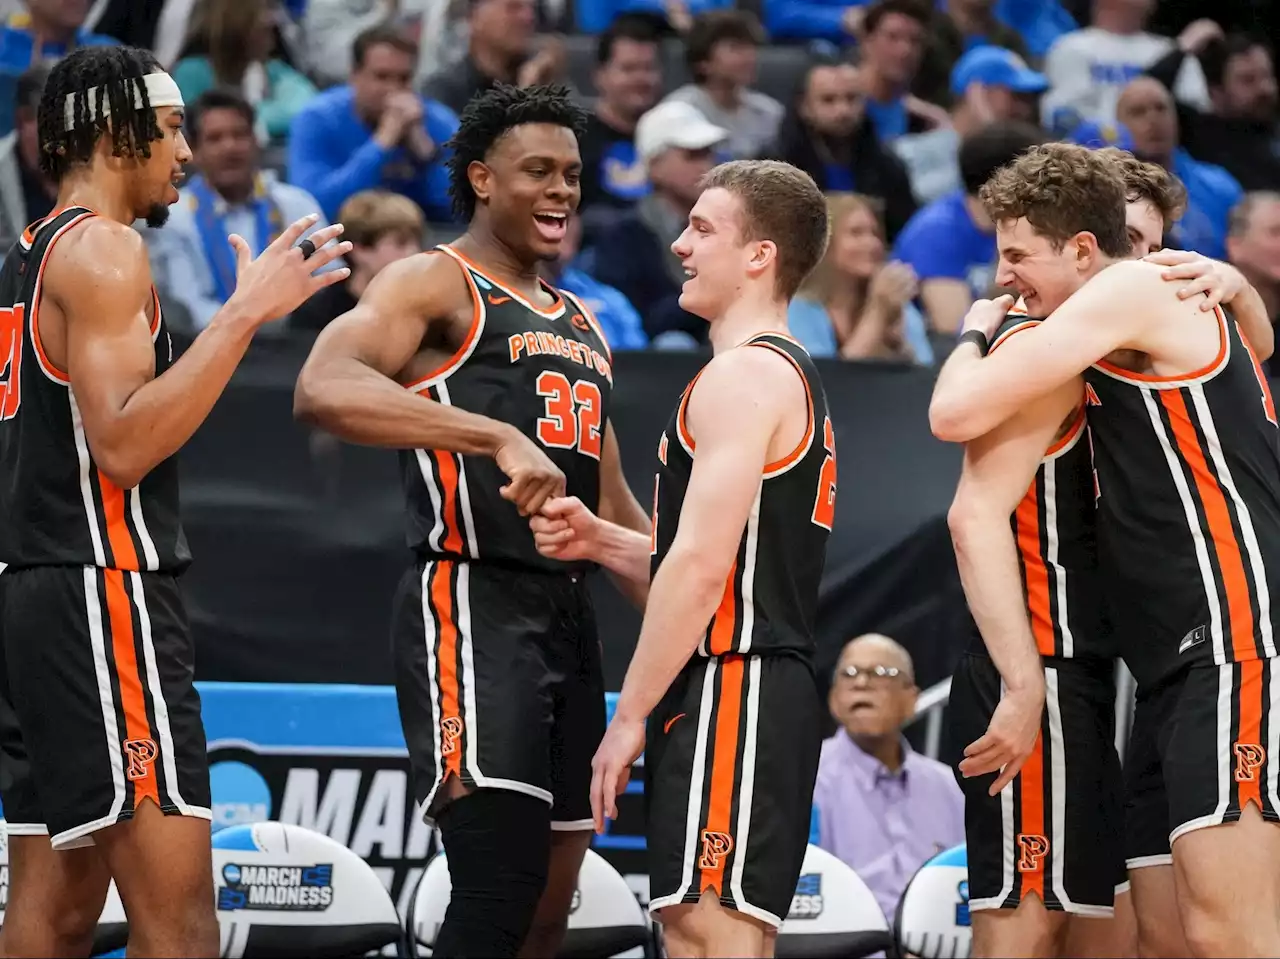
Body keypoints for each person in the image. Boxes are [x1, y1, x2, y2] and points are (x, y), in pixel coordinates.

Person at [0, 44, 348, 958]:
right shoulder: (107, 251)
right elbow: (123, 446)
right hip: (100, 586)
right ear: (117, 138)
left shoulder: (27, 254)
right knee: (178, 919)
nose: (186, 152)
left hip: (33, 593)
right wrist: (242, 314)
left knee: (59, 904)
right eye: (168, 130)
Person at [292, 83, 650, 958]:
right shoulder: (434, 278)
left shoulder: (582, 322)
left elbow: (614, 506)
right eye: (539, 172)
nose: (563, 190)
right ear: (484, 179)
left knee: (547, 902)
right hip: (470, 602)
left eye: (571, 173)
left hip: (570, 619)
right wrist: (492, 435)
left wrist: (686, 609)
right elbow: (322, 385)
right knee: (497, 882)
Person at [930, 141, 1280, 958]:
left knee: (1233, 934)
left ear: (1084, 249)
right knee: (1163, 936)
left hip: (1233, 638)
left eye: (1017, 255)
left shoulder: (1128, 287)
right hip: (1167, 666)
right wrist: (1245, 292)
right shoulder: (1137, 318)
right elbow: (1254, 345)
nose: (1006, 277)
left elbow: (952, 414)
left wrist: (973, 335)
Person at [530, 159, 834, 958]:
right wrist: (604, 539)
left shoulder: (745, 374)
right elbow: (727, 558)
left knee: (710, 928)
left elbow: (700, 568)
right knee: (704, 927)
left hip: (739, 678)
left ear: (760, 256)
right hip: (751, 678)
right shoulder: (777, 371)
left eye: (703, 228)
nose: (680, 244)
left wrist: (627, 715)